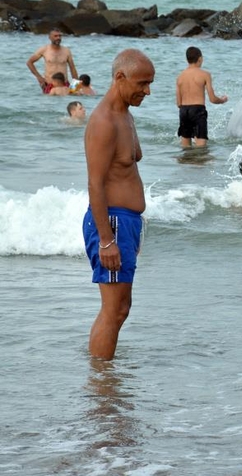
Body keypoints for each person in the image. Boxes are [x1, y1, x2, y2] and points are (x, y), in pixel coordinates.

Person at [82, 49, 155, 361]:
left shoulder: (126, 113)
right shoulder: (103, 122)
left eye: (150, 83)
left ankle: (104, 378)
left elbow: (130, 164)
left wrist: (132, 229)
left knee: (121, 309)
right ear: (119, 77)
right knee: (114, 310)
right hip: (110, 222)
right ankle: (101, 387)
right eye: (142, 83)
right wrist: (107, 239)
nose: (147, 91)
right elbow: (95, 184)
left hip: (124, 222)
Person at [175, 46, 228, 148]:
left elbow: (178, 103)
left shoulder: (180, 77)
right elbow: (212, 99)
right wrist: (222, 100)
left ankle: (186, 163)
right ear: (200, 59)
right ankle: (199, 163)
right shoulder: (205, 74)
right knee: (201, 148)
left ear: (187, 60)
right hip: (198, 111)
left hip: (183, 111)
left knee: (185, 148)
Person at [27, 28, 78, 94]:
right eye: (55, 36)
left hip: (64, 84)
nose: (58, 38)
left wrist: (76, 87)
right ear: (50, 37)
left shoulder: (66, 51)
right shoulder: (44, 49)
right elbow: (29, 62)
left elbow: (72, 68)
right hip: (49, 84)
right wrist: (39, 77)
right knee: (49, 103)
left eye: (60, 36)